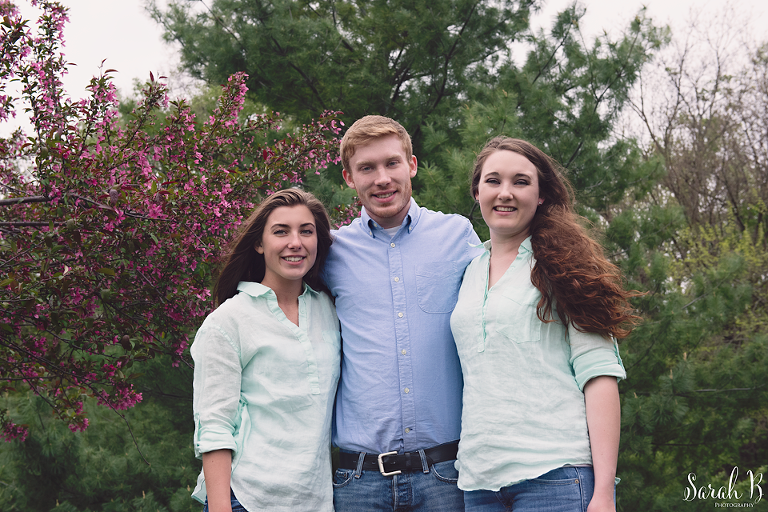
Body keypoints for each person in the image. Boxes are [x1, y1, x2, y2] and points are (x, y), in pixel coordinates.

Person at [450, 137, 641, 512]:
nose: (505, 193)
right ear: (477, 191)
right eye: (493, 181)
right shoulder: (468, 271)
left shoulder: (566, 268)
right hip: (478, 484)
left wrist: (604, 493)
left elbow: (599, 376)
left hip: (556, 478)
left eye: (521, 182)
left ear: (540, 196)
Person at [323, 115, 482, 511]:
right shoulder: (330, 252)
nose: (382, 179)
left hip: (447, 475)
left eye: (392, 163)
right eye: (367, 168)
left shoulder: (458, 235)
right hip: (359, 482)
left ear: (411, 165)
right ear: (348, 178)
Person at [190, 188, 340, 512]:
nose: (295, 242)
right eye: (281, 232)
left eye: (306, 231)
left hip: (316, 502)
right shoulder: (228, 321)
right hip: (247, 499)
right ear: (259, 243)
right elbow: (214, 426)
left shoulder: (330, 310)